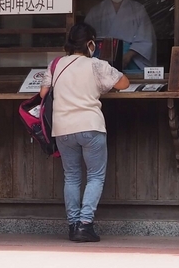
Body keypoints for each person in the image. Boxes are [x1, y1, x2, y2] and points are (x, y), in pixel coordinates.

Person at [40, 22, 129, 242]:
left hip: (63, 129)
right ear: (90, 43)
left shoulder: (55, 64)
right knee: (95, 176)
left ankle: (72, 226)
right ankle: (85, 224)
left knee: (71, 177)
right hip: (90, 125)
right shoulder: (96, 65)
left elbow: (43, 93)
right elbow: (124, 84)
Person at [83, 0, 156, 74]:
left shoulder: (138, 9)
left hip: (132, 59)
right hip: (102, 59)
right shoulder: (96, 11)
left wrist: (129, 55)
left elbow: (145, 37)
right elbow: (86, 37)